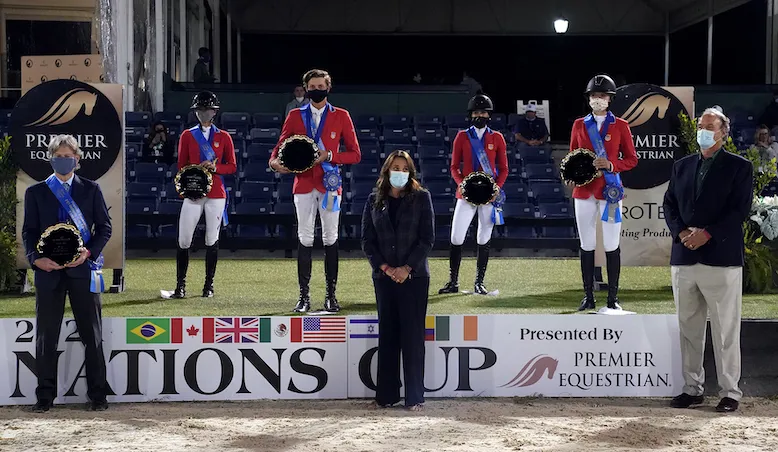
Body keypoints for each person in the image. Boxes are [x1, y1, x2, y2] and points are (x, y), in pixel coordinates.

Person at [663, 107, 753, 413]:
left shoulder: (739, 167)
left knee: (726, 330)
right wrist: (681, 232)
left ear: (723, 132)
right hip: (684, 257)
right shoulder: (682, 166)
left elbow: (739, 210)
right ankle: (692, 388)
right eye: (701, 125)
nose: (703, 130)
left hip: (721, 259)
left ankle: (730, 391)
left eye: (709, 126)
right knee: (689, 328)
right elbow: (669, 204)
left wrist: (709, 233)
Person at [22, 134, 112, 412]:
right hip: (48, 273)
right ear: (51, 159)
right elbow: (29, 232)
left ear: (78, 158)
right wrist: (36, 260)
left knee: (92, 334)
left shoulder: (91, 189)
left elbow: (104, 228)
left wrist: (88, 253)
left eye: (68, 156)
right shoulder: (36, 192)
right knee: (46, 336)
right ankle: (44, 397)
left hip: (82, 271)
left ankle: (98, 395)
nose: (63, 161)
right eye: (58, 156)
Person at [269, 69, 361, 313]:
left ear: (328, 88)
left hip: (330, 184)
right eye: (312, 86)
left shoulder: (342, 116)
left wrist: (330, 155)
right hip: (303, 184)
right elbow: (280, 146)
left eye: (321, 85)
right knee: (305, 237)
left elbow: (355, 154)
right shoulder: (295, 115)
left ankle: (331, 295)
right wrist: (274, 162)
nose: (317, 89)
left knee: (331, 238)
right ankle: (304, 296)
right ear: (306, 88)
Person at [361, 150, 434, 412]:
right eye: (395, 167)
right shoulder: (373, 200)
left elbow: (427, 239)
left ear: (410, 172)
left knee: (413, 338)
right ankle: (386, 396)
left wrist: (405, 268)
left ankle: (415, 396)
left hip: (414, 278)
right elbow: (367, 242)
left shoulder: (421, 198)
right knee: (388, 336)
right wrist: (385, 267)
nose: (400, 172)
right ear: (386, 171)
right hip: (384, 278)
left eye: (404, 168)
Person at [568, 74, 638, 311]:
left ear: (610, 99)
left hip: (610, 190)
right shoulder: (579, 124)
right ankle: (588, 295)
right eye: (594, 96)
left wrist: (611, 165)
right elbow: (572, 157)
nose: (598, 99)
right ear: (589, 99)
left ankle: (613, 298)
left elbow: (631, 159)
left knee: (611, 244)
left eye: (602, 96)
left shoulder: (621, 126)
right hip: (584, 191)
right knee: (587, 244)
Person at [439, 94, 508, 295]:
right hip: (466, 195)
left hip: (488, 196)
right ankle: (453, 281)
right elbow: (454, 167)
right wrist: (463, 185)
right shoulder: (462, 136)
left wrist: (496, 188)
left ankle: (479, 282)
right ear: (471, 115)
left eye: (483, 112)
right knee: (456, 236)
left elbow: (503, 168)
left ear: (489, 115)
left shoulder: (497, 138)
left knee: (483, 238)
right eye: (477, 112)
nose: (480, 115)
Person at [172, 91, 237, 299]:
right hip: (193, 192)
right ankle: (180, 285)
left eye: (207, 109)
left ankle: (208, 285)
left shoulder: (224, 137)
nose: (203, 113)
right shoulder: (187, 135)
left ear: (214, 111)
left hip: (216, 193)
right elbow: (181, 166)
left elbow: (232, 167)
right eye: (200, 110)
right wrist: (195, 170)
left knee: (212, 238)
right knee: (184, 238)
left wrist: (215, 168)